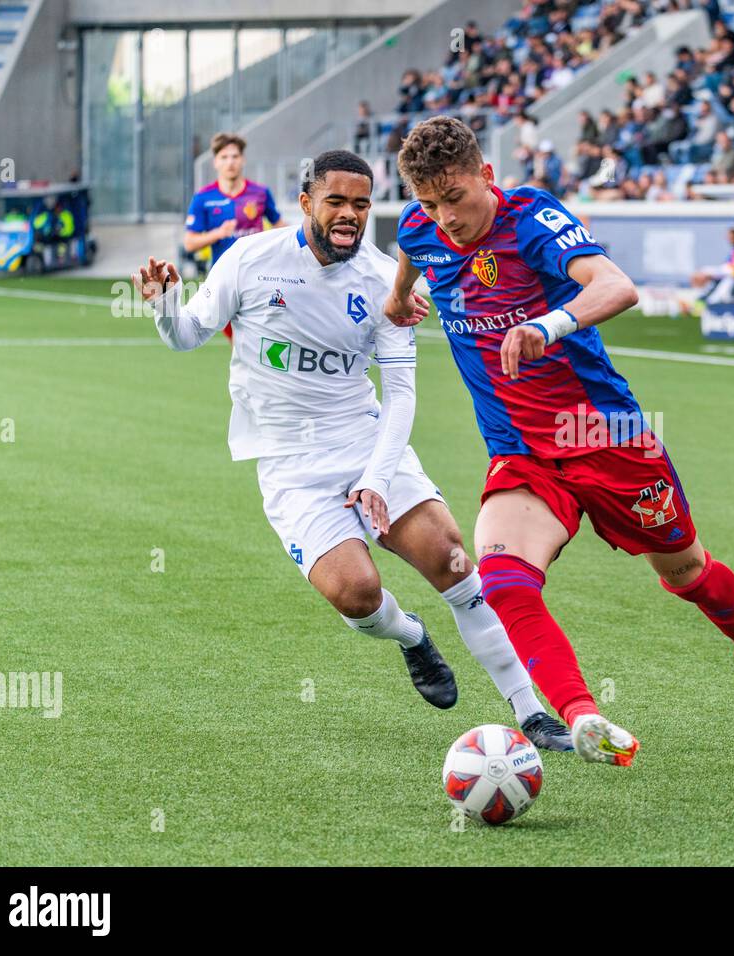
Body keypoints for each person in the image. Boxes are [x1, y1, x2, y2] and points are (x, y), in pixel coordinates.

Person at [386, 117, 734, 766]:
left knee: (687, 573)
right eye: (431, 203)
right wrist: (396, 298)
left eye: (457, 198)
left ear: (486, 177)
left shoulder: (530, 218)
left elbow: (616, 285)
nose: (446, 218)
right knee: (502, 579)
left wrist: (547, 326)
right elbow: (412, 250)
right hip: (521, 451)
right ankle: (581, 718)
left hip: (604, 436)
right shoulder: (422, 230)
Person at [132, 150, 571, 751]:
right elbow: (186, 336)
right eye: (336, 201)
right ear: (306, 202)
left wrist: (377, 476)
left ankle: (533, 714)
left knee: (453, 560)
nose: (349, 215)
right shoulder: (250, 260)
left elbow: (401, 395)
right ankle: (411, 635)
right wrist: (161, 305)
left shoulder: (386, 280)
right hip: (289, 463)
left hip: (365, 441)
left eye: (361, 204)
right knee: (356, 595)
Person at [185, 132, 284, 339]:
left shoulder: (260, 193)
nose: (230, 162)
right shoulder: (203, 198)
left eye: (235, 156)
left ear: (243, 159)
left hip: (259, 278)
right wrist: (218, 233)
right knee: (238, 342)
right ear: (215, 162)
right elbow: (190, 243)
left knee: (258, 339)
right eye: (224, 157)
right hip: (223, 282)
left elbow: (280, 227)